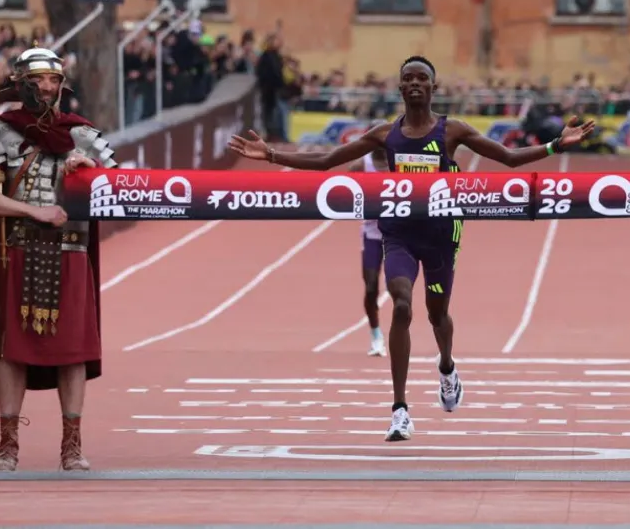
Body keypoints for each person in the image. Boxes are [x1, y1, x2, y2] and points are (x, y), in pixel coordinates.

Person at [229, 55, 594, 442]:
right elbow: (325, 162)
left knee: (438, 317)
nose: (415, 83)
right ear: (400, 88)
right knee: (401, 304)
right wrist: (272, 156)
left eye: (423, 78)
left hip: (439, 235)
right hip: (398, 233)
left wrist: (556, 145)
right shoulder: (385, 135)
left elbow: (507, 158)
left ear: (434, 88)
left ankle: (447, 367)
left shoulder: (452, 130)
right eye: (408, 78)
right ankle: (400, 410)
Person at [0, 47, 118, 472]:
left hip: (70, 252)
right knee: (13, 350)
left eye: (53, 81)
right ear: (21, 84)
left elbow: (114, 191)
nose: (47, 89)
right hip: (17, 252)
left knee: (74, 351)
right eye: (38, 81)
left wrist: (88, 175)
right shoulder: (0, 131)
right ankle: (7, 446)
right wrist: (34, 211)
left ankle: (72, 446)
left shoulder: (83, 134)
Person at [347, 143, 390, 356]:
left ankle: (400, 334)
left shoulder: (398, 162)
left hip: (396, 234)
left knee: (399, 287)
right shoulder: (363, 163)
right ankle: (375, 335)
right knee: (371, 286)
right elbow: (346, 185)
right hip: (372, 234)